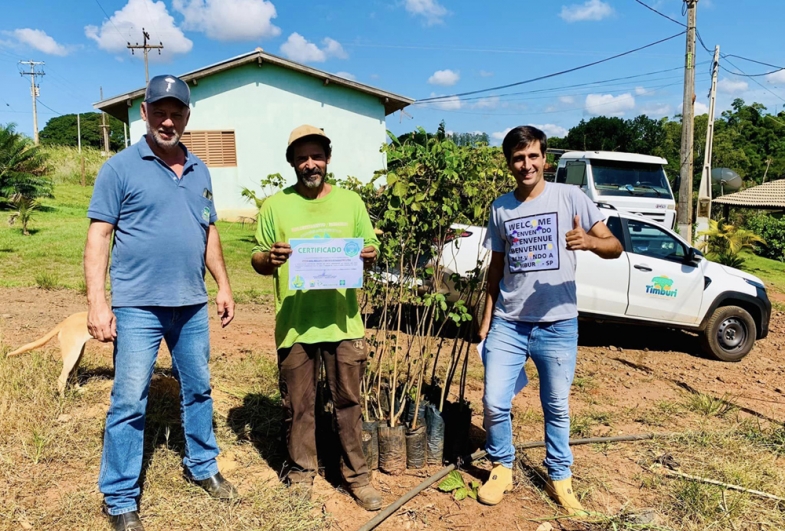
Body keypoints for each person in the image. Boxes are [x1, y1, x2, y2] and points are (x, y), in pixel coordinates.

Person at [84, 74, 237, 531]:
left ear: (188, 116)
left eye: (178, 112)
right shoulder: (119, 168)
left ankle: (202, 465)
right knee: (129, 401)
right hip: (136, 307)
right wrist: (98, 302)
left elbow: (209, 232)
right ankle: (119, 497)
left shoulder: (200, 169)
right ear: (145, 112)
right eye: (160, 111)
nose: (168, 120)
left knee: (199, 389)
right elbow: (99, 236)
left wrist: (223, 285)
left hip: (191, 305)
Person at [476, 126, 622, 512]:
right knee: (493, 400)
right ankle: (501, 466)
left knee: (556, 404)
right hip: (509, 322)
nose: (527, 164)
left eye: (533, 156)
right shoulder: (501, 207)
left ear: (545, 159)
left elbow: (615, 246)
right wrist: (486, 319)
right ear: (510, 163)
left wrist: (590, 242)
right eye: (518, 158)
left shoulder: (570, 197)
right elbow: (496, 266)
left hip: (557, 325)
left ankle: (560, 477)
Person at [251, 125, 384, 511]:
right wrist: (268, 258)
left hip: (343, 321)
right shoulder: (276, 205)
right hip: (295, 323)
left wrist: (369, 254)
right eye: (302, 157)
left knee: (348, 402)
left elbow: (369, 243)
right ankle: (301, 473)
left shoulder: (351, 202)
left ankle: (356, 477)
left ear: (327, 159)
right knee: (299, 404)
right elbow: (258, 257)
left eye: (317, 156)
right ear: (292, 162)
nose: (310, 164)